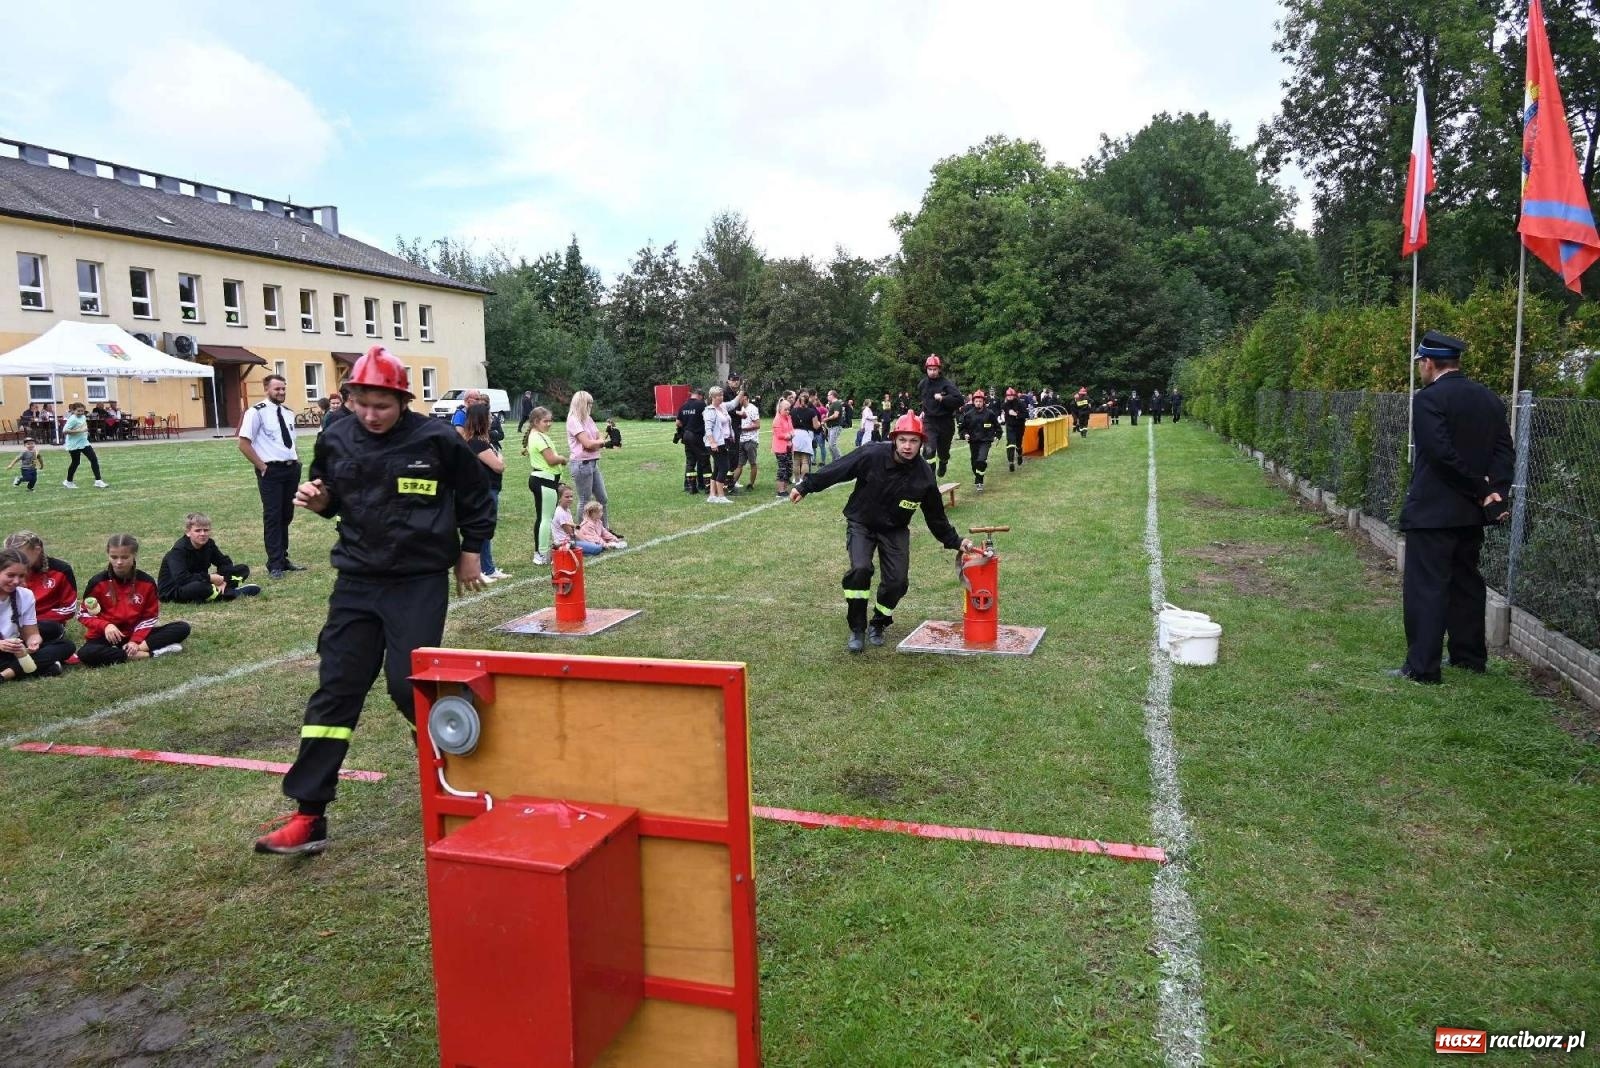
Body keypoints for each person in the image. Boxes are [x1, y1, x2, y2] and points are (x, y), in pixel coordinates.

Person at [253, 346, 494, 855]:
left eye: (381, 405)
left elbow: (477, 494)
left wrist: (471, 551)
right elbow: (331, 495)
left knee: (409, 687)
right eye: (361, 404)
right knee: (336, 690)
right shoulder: (336, 436)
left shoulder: (436, 438)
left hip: (418, 580)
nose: (370, 414)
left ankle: (458, 776)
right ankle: (309, 814)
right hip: (357, 580)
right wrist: (320, 501)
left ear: (402, 400)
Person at [1389, 330, 1514, 685]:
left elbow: (1440, 455)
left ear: (1429, 363)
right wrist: (1495, 493)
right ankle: (1469, 657)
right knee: (1466, 585)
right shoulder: (1488, 398)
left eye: (1421, 364)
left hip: (1432, 512)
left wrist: (1482, 490)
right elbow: (1504, 451)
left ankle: (1423, 668)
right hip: (1471, 513)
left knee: (1427, 588)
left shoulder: (1429, 399)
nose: (1420, 369)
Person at [791, 412, 975, 653]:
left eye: (913, 441)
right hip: (862, 523)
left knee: (897, 582)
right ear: (894, 439)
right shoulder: (872, 454)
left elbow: (936, 517)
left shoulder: (924, 477)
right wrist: (806, 486)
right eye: (903, 440)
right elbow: (839, 468)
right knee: (860, 570)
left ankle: (878, 623)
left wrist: (955, 541)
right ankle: (857, 628)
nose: (907, 446)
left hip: (894, 529)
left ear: (921, 443)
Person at [78, 534, 191, 666]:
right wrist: (105, 626)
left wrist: (135, 641)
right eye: (114, 557)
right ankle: (150, 654)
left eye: (125, 557)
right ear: (108, 555)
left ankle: (131, 650)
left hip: (136, 633)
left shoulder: (147, 582)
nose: (119, 562)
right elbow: (83, 614)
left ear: (134, 555)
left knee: (182, 628)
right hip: (107, 635)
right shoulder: (97, 582)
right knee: (85, 653)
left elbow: (150, 617)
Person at [237, 373, 302, 579]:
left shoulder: (288, 413)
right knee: (273, 516)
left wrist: (297, 461)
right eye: (277, 389)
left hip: (291, 470)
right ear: (266, 389)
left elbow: (289, 442)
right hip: (271, 471)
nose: (281, 392)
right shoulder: (256, 413)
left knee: (286, 515)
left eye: (283, 388)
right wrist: (262, 466)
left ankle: (283, 558)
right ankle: (274, 563)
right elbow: (243, 443)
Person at [0, 547, 75, 681]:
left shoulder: (25, 595)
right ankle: (42, 667)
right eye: (10, 575)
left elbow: (31, 633)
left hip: (14, 651)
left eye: (21, 576)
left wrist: (33, 643)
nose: (16, 581)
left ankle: (6, 674)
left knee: (67, 646)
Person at [157, 513, 262, 603]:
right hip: (175, 590)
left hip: (202, 581)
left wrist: (223, 579)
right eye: (198, 530)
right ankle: (232, 593)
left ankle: (218, 590)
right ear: (188, 532)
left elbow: (224, 562)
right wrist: (210, 578)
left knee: (242, 569)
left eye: (206, 530)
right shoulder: (178, 551)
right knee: (197, 587)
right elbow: (182, 578)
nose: (203, 534)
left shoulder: (209, 544)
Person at [464, 403, 511, 582]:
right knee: (481, 531)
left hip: (490, 489)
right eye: (489, 416)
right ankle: (479, 571)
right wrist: (500, 458)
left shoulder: (484, 441)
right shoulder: (477, 442)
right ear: (481, 420)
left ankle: (488, 568)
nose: (492, 419)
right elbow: (498, 466)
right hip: (483, 491)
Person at [3, 530, 79, 640]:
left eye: (21, 555)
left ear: (37, 550)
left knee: (54, 631)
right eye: (12, 556)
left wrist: (32, 621)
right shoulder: (8, 574)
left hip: (44, 623)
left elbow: (69, 609)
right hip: (11, 620)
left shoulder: (61, 570)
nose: (16, 560)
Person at [521, 405, 566, 566]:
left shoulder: (538, 435)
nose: (549, 424)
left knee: (543, 518)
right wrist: (562, 459)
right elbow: (551, 460)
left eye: (550, 420)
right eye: (545, 421)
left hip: (544, 480)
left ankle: (541, 552)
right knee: (545, 519)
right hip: (544, 480)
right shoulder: (538, 437)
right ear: (535, 422)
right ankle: (541, 553)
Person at [566, 390, 612, 530]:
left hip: (593, 462)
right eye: (588, 403)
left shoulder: (588, 419)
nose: (590, 406)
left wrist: (598, 442)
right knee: (585, 500)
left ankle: (604, 530)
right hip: (581, 464)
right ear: (581, 404)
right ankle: (582, 532)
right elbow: (588, 444)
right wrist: (600, 443)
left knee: (602, 498)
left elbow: (599, 437)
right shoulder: (573, 420)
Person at [918, 355, 963, 477]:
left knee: (943, 452)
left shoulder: (947, 384)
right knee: (929, 450)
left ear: (939, 369)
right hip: (930, 422)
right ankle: (930, 478)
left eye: (935, 369)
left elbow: (959, 400)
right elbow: (924, 400)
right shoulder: (922, 384)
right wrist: (923, 410)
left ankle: (943, 462)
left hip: (945, 422)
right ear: (926, 369)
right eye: (930, 369)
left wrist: (943, 398)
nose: (932, 372)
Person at [958, 390, 1001, 493]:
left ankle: (979, 481)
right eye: (976, 401)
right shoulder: (968, 414)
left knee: (981, 460)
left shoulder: (990, 414)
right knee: (974, 463)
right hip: (973, 442)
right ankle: (978, 476)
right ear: (973, 402)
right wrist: (965, 434)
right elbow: (962, 429)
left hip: (985, 441)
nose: (978, 403)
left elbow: (998, 427)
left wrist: (997, 436)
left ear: (983, 402)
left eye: (980, 401)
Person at [61, 403, 108, 489]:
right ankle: (68, 481)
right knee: (76, 462)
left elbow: (83, 427)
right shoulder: (72, 419)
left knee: (94, 459)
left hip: (84, 442)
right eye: (78, 411)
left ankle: (98, 481)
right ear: (73, 411)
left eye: (82, 411)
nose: (80, 413)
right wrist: (80, 431)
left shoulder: (83, 417)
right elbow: (65, 431)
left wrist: (85, 433)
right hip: (74, 444)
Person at [675, 387, 709, 495]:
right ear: (700, 395)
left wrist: (687, 425)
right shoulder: (702, 405)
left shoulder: (683, 406)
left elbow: (678, 423)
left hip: (686, 436)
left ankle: (690, 487)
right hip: (698, 436)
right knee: (704, 461)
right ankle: (707, 486)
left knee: (690, 462)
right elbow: (708, 419)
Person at [551, 485, 603, 556]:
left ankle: (577, 552)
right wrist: (585, 541)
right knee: (598, 547)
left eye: (571, 496)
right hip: (565, 543)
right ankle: (572, 552)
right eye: (567, 497)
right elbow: (571, 533)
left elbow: (574, 530)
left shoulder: (567, 510)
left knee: (593, 543)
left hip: (571, 541)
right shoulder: (560, 513)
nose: (570, 499)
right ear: (559, 498)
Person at [703, 385, 733, 504]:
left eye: (722, 395)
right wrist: (712, 442)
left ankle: (712, 495)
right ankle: (721, 496)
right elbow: (708, 428)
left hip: (723, 441)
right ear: (713, 397)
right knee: (724, 467)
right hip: (716, 444)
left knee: (717, 468)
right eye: (719, 395)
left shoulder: (722, 408)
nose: (722, 397)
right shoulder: (709, 411)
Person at [790, 391, 818, 483]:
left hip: (795, 435)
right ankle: (803, 481)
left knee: (796, 460)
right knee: (805, 460)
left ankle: (797, 480)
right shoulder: (812, 411)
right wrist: (820, 423)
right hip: (806, 435)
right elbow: (815, 426)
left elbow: (790, 424)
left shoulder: (793, 411)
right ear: (808, 401)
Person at [735, 391, 760, 490]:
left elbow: (757, 425)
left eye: (739, 397)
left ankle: (751, 484)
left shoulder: (753, 408)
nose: (737, 399)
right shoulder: (739, 408)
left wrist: (743, 428)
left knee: (752, 463)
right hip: (741, 440)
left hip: (751, 440)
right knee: (739, 464)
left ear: (745, 397)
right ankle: (732, 484)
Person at [772, 395, 795, 499]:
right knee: (783, 469)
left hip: (789, 446)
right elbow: (779, 434)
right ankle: (780, 490)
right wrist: (788, 435)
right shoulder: (777, 419)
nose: (787, 411)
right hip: (780, 448)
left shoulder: (788, 418)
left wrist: (792, 434)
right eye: (785, 409)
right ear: (780, 409)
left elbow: (792, 429)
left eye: (788, 409)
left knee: (789, 468)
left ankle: (785, 488)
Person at [1000, 388, 1028, 470]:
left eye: (1011, 395)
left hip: (1019, 426)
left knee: (1018, 444)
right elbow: (1002, 409)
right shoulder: (1005, 404)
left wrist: (1016, 414)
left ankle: (1019, 455)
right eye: (1008, 396)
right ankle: (1011, 462)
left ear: (1014, 396)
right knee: (1010, 443)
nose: (1009, 397)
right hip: (1010, 427)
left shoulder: (1021, 404)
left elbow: (1026, 415)